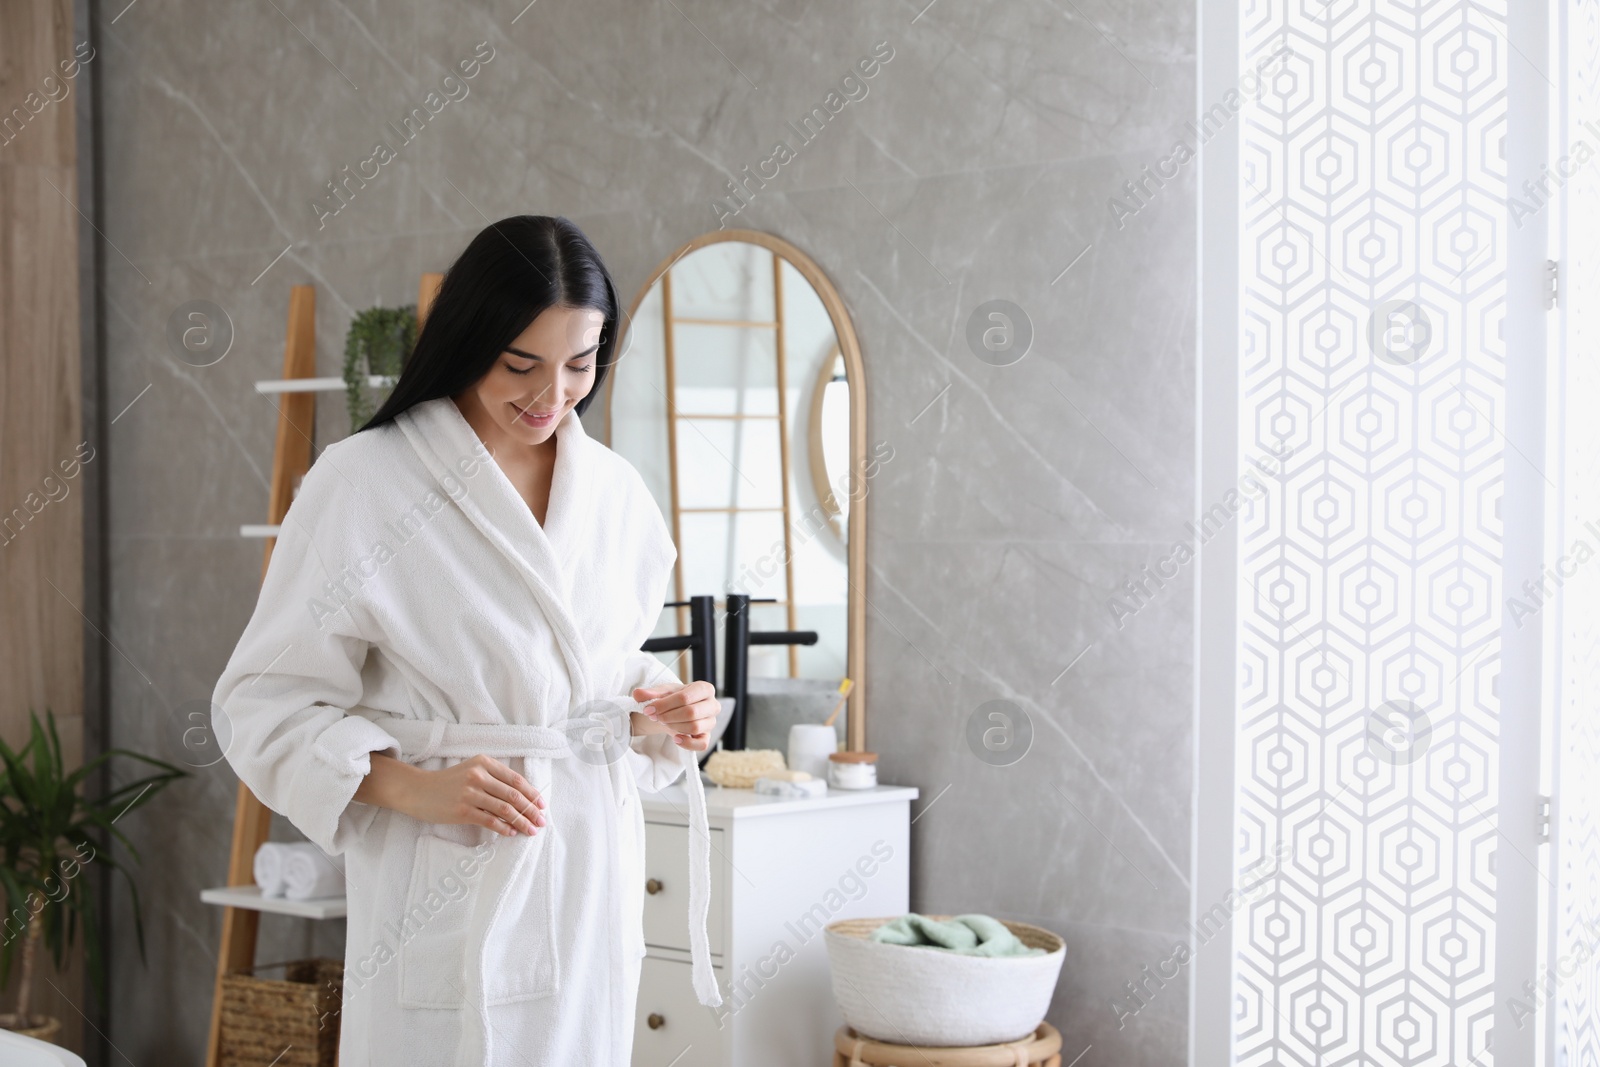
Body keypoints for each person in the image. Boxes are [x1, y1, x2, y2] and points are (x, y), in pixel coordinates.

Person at [213, 215, 723, 1066]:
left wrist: (659, 709)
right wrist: (415, 787)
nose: (551, 393)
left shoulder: (617, 494)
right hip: (447, 871)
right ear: (468, 337)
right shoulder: (364, 482)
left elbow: (585, 674)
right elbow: (261, 701)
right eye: (520, 363)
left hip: (588, 867)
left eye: (580, 364)